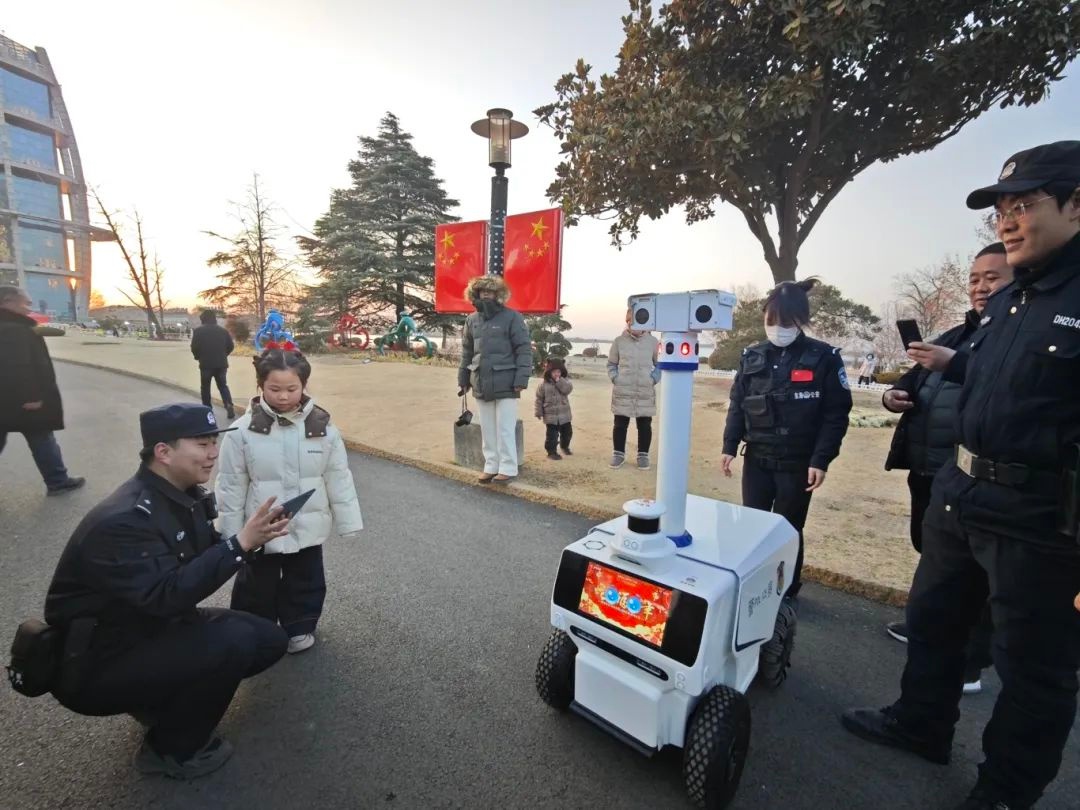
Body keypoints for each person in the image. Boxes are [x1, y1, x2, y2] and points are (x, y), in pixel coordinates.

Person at [842, 141, 1080, 810]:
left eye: (1023, 205)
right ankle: (921, 724)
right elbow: (991, 379)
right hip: (962, 493)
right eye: (999, 210)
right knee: (936, 621)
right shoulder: (1011, 300)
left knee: (1034, 669)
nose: (1006, 221)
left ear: (1076, 205)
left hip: (1040, 521)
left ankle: (1005, 789)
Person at [43, 403, 291, 779]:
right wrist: (238, 545)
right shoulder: (125, 519)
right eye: (202, 444)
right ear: (163, 452)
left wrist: (253, 538)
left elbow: (202, 556)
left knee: (268, 640)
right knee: (234, 641)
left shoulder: (181, 495)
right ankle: (170, 749)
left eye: (213, 443)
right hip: (97, 660)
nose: (212, 454)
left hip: (147, 628)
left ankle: (162, 700)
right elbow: (167, 595)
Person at [881, 243, 1013, 695]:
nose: (981, 287)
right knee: (932, 550)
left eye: (992, 278)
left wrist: (955, 365)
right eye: (975, 279)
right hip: (930, 465)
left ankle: (972, 659)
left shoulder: (1013, 336)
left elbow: (1008, 387)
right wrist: (892, 396)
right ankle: (932, 628)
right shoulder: (955, 335)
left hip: (977, 474)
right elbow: (912, 380)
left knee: (978, 572)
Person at [215, 348, 363, 655]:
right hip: (261, 528)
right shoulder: (241, 432)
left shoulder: (323, 428)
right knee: (257, 583)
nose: (283, 397)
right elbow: (230, 483)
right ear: (260, 387)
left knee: (305, 579)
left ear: (304, 386)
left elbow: (338, 476)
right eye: (275, 389)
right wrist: (231, 532)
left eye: (291, 389)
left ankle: (300, 625)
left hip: (306, 522)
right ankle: (255, 630)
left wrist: (348, 521)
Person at [720, 279, 853, 597]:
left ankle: (787, 590)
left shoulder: (824, 357)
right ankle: (753, 586)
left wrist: (821, 460)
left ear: (801, 321)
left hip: (798, 462)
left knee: (788, 529)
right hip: (758, 458)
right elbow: (738, 403)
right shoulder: (752, 355)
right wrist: (729, 446)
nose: (777, 328)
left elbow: (836, 414)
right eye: (771, 321)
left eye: (786, 322)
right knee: (753, 524)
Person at [0, 285, 84, 495]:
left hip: (7, 398)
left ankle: (58, 480)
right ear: (8, 302)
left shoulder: (12, 325)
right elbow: (18, 365)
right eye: (25, 303)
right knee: (42, 438)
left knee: (42, 439)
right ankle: (58, 481)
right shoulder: (13, 329)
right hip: (22, 400)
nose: (29, 307)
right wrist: (32, 396)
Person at [457, 275, 532, 484]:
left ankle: (508, 467)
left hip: (507, 381)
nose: (485, 293)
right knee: (487, 427)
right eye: (481, 290)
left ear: (498, 293)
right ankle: (491, 465)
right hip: (480, 379)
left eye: (489, 290)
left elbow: (524, 349)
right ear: (476, 293)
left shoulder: (512, 317)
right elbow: (467, 351)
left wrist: (521, 378)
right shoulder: (471, 319)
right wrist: (463, 378)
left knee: (505, 427)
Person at [607, 309, 661, 470]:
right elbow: (611, 364)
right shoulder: (618, 341)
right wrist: (616, 378)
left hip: (644, 389)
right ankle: (618, 453)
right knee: (620, 424)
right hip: (623, 389)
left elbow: (660, 364)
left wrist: (653, 379)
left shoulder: (653, 342)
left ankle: (643, 455)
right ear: (628, 322)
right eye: (630, 322)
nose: (633, 325)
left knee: (644, 424)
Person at [191, 310, 236, 420]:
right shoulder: (223, 331)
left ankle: (207, 410)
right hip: (221, 364)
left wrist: (198, 357)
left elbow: (194, 347)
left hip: (206, 364)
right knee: (223, 385)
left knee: (205, 387)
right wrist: (224, 354)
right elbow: (230, 346)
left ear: (203, 319)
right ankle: (228, 404)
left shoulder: (198, 331)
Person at [534, 358, 573, 460]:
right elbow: (539, 399)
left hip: (564, 415)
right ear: (549, 372)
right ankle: (551, 452)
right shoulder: (543, 385)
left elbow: (567, 390)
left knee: (567, 433)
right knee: (552, 436)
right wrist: (538, 412)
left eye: (559, 372)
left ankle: (565, 446)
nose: (556, 374)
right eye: (554, 372)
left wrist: (559, 381)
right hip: (550, 416)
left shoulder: (565, 381)